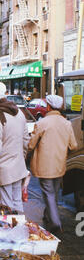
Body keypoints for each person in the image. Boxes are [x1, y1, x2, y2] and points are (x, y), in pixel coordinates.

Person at [27, 94, 78, 234]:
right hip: (59, 165)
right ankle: (48, 216)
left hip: (44, 165)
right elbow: (73, 146)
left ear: (48, 106)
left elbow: (31, 145)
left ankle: (55, 222)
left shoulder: (43, 123)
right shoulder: (67, 123)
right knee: (53, 193)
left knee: (49, 194)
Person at [0, 80, 29, 213]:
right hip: (18, 168)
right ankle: (21, 231)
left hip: (3, 171)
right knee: (17, 204)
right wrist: (20, 159)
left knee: (5, 209)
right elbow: (26, 141)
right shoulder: (19, 112)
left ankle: (11, 232)